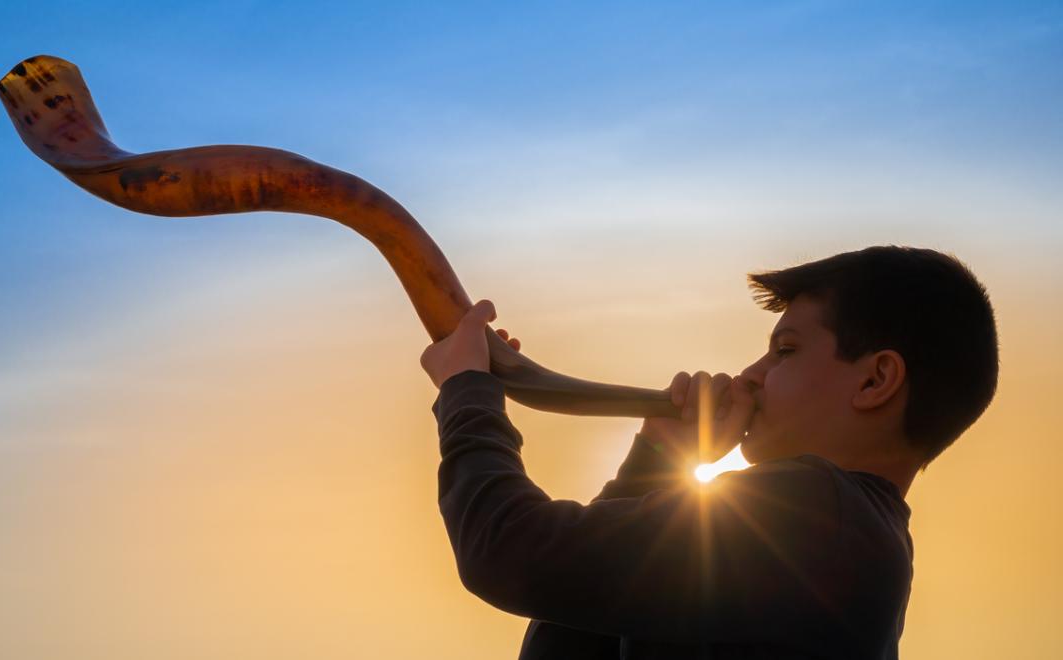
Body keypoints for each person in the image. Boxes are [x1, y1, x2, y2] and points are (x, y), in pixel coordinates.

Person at [420, 245, 998, 659]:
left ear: (875, 382)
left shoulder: (823, 515)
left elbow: (506, 551)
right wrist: (656, 465)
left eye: (785, 352)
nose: (749, 376)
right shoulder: (840, 539)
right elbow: (565, 613)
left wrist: (467, 394)